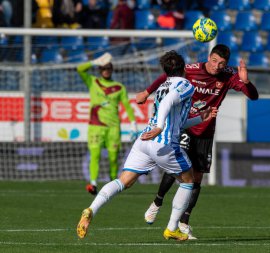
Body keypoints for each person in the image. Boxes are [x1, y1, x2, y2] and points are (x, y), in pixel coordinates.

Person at [76, 50, 218, 241]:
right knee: (188, 181)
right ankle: (172, 228)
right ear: (183, 69)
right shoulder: (185, 84)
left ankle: (91, 208)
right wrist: (160, 127)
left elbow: (176, 121)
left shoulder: (160, 88)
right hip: (164, 143)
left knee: (124, 181)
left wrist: (200, 118)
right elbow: (169, 104)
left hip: (144, 141)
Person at [136, 44, 259, 239]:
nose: (217, 66)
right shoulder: (191, 70)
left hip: (206, 131)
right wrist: (146, 92)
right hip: (185, 126)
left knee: (197, 179)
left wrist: (247, 81)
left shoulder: (229, 75)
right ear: (209, 57)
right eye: (214, 61)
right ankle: (157, 202)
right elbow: (166, 78)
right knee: (178, 168)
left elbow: (253, 96)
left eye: (222, 63)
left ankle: (184, 222)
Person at [77, 52, 137, 195]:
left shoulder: (119, 87)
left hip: (113, 127)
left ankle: (113, 183)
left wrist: (133, 122)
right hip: (96, 126)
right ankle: (92, 183)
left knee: (113, 157)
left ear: (112, 70)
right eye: (104, 68)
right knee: (95, 154)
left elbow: (127, 106)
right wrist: (94, 62)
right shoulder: (93, 81)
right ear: (100, 70)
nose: (106, 71)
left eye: (108, 69)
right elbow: (79, 69)